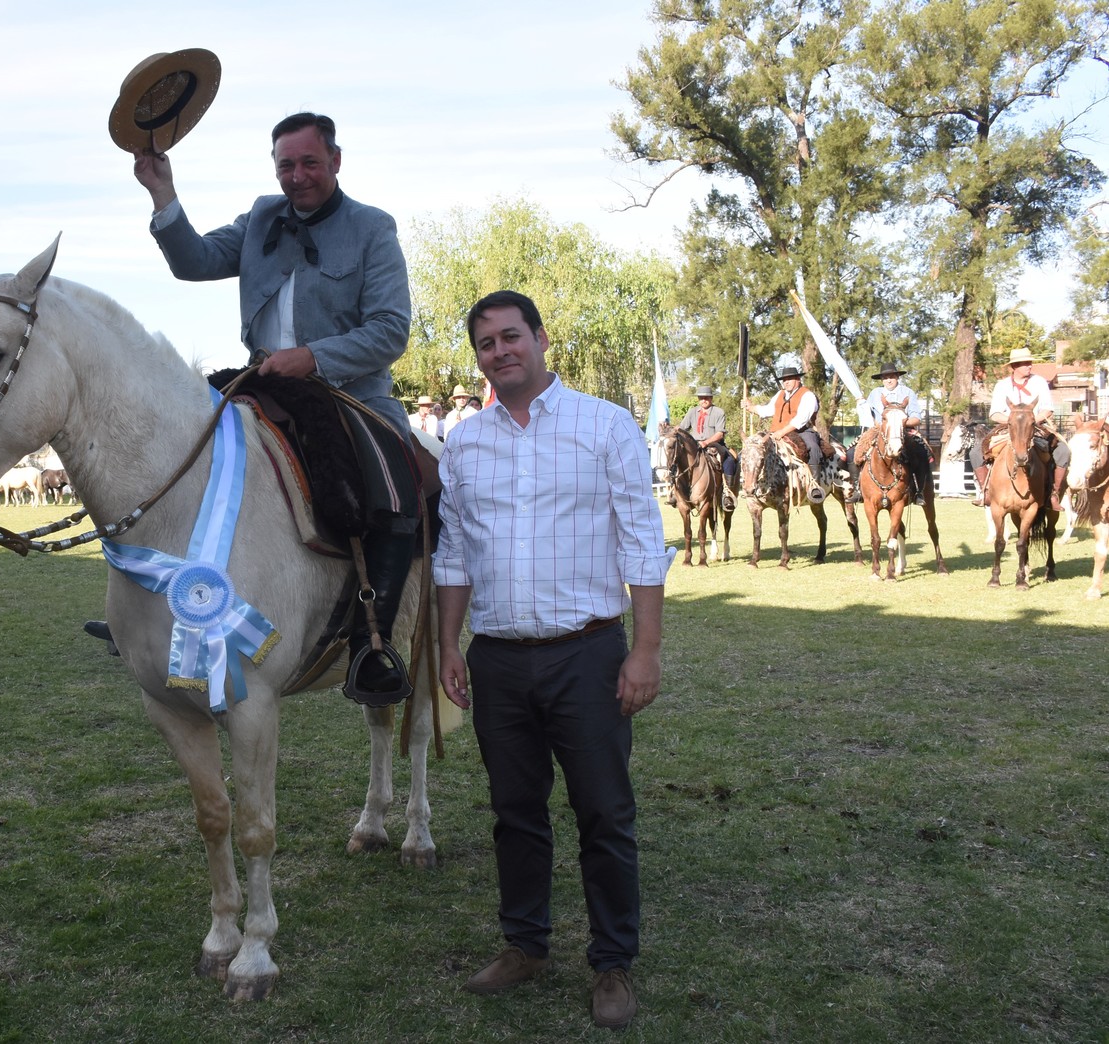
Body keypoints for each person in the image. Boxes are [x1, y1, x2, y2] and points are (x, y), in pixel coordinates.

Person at [113, 110, 417, 702]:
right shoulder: (259, 218)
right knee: (179, 449)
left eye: (309, 162)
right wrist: (162, 192)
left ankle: (371, 645)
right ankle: (154, 616)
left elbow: (391, 331)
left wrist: (314, 356)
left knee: (395, 484)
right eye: (286, 165)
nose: (297, 176)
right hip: (262, 382)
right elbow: (194, 262)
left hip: (347, 394)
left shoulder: (373, 228)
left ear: (335, 160)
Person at [435, 290, 666, 1030]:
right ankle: (524, 945)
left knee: (603, 810)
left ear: (539, 339)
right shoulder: (465, 444)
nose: (499, 352)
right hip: (498, 658)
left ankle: (611, 963)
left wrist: (646, 651)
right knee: (514, 812)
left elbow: (640, 538)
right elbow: (454, 553)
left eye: (510, 337)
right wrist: (447, 643)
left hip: (588, 655)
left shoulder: (605, 425)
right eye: (485, 344)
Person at [969, 347, 1070, 509]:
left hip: (1036, 426)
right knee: (975, 452)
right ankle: (986, 492)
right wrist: (1013, 422)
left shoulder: (1040, 382)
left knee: (1063, 451)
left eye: (1030, 363)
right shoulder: (1002, 386)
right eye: (1025, 364)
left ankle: (1053, 495)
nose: (1029, 366)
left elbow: (1048, 409)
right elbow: (994, 414)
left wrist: (1030, 421)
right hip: (1007, 428)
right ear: (1014, 366)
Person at [742, 364, 824, 494]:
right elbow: (768, 409)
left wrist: (782, 432)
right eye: (784, 380)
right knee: (755, 450)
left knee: (813, 447)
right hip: (775, 432)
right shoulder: (780, 394)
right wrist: (751, 407)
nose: (786, 382)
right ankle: (753, 482)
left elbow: (801, 419)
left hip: (801, 431)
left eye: (790, 379)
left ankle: (814, 485)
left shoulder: (808, 395)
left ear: (798, 379)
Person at [860, 362, 931, 505]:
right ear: (882, 380)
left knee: (922, 453)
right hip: (878, 431)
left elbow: (916, 418)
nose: (888, 380)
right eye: (885, 377)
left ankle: (918, 491)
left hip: (903, 432)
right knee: (853, 453)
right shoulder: (874, 393)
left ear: (897, 377)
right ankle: (857, 489)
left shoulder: (908, 393)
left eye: (891, 376)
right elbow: (868, 415)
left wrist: (899, 423)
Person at [676, 386, 738, 511]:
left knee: (730, 460)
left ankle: (727, 493)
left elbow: (720, 433)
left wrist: (706, 442)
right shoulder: (692, 412)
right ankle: (675, 491)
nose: (703, 400)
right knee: (677, 458)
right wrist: (671, 429)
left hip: (713, 444)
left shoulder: (718, 412)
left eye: (706, 397)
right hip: (694, 446)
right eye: (701, 397)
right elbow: (682, 429)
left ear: (711, 398)